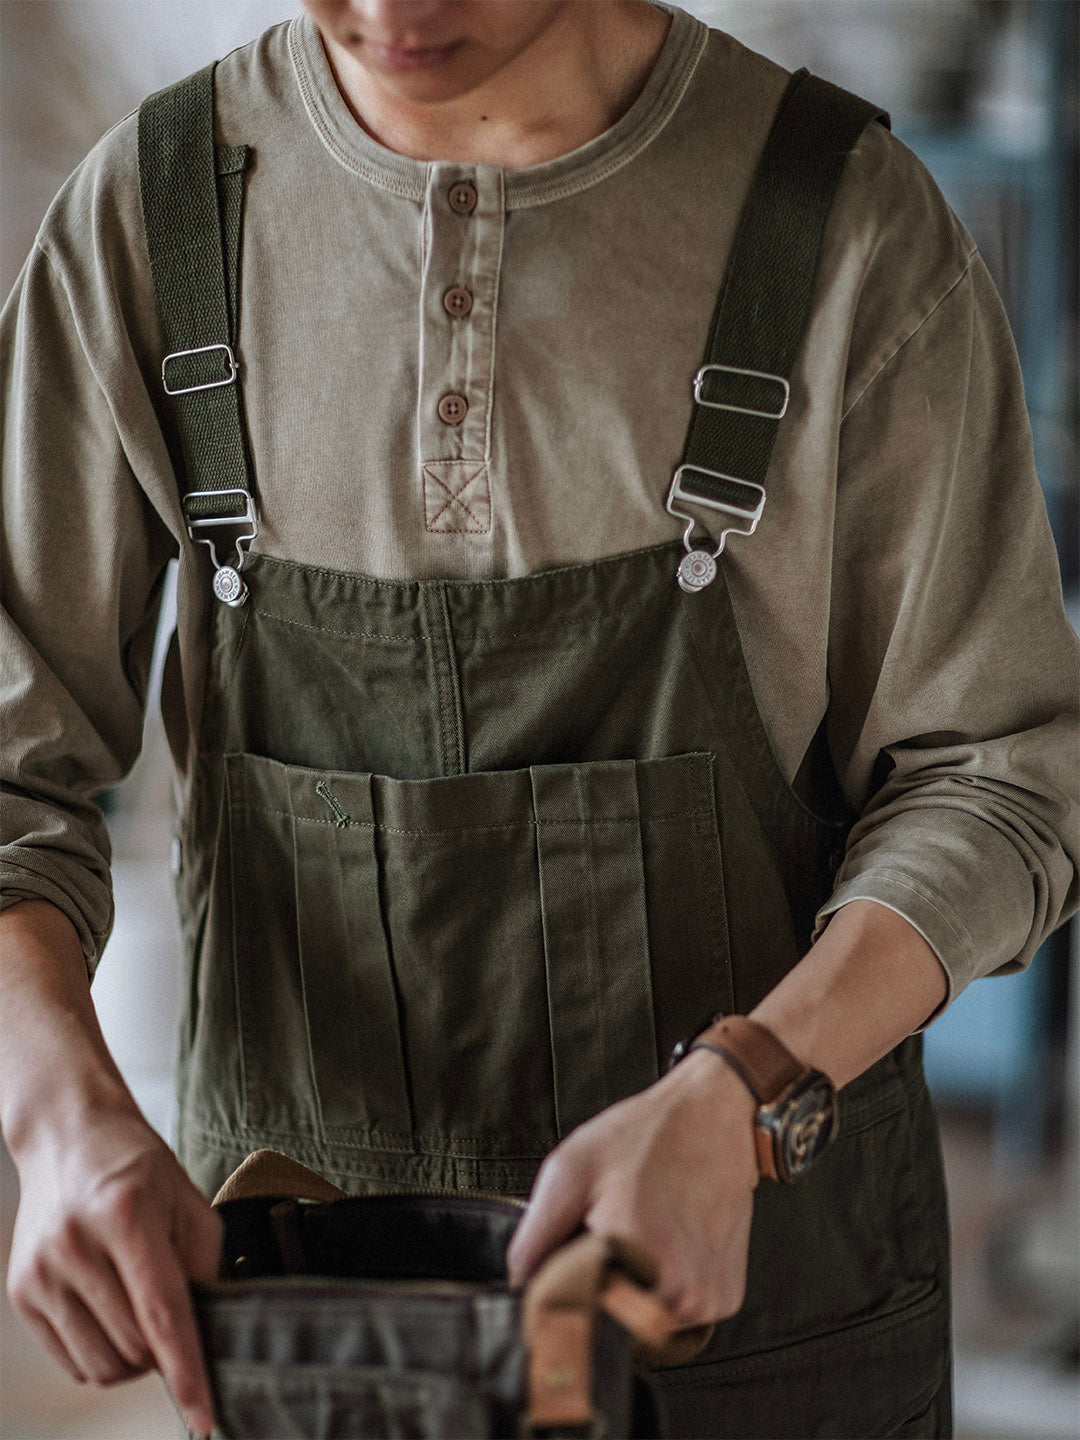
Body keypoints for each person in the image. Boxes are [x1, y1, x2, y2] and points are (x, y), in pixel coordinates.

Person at [1, 2, 1076, 1436]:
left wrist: (741, 1092)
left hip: (768, 1336)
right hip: (317, 1353)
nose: (392, 11)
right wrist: (54, 1111)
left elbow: (1001, 778)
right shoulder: (148, 220)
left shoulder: (848, 230)